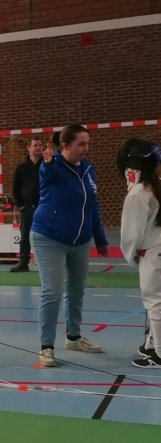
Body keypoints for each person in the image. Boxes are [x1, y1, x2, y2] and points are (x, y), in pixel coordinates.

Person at [30, 124, 108, 367]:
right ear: (65, 146)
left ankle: (73, 338)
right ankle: (46, 346)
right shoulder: (53, 164)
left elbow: (92, 206)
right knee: (52, 292)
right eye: (81, 144)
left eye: (87, 143)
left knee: (76, 291)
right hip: (49, 237)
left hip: (80, 241)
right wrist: (48, 162)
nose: (86, 148)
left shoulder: (88, 169)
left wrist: (100, 238)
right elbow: (47, 174)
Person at [118, 138, 161, 368]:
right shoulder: (156, 185)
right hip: (157, 250)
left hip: (153, 253)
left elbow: (132, 233)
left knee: (154, 302)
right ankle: (152, 344)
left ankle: (159, 354)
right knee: (157, 301)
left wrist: (132, 255)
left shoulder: (138, 194)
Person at [10, 137, 43, 272]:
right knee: (25, 236)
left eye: (40, 145)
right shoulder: (21, 168)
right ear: (28, 148)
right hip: (26, 208)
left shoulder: (47, 165)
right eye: (35, 145)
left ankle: (46, 263)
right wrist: (20, 206)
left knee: (47, 235)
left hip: (44, 207)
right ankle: (23, 262)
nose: (38, 147)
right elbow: (15, 188)